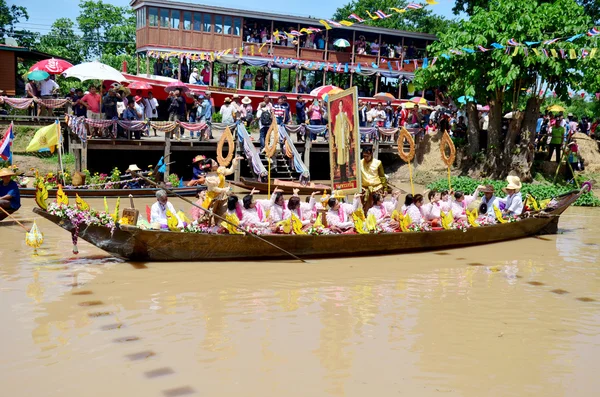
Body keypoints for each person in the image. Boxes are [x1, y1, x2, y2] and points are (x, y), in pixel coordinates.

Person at [332, 100, 353, 183]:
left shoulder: (345, 115)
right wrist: (336, 141)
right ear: (338, 106)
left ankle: (345, 176)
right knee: (340, 159)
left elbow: (348, 126)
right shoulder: (337, 116)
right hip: (339, 139)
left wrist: (348, 136)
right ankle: (342, 176)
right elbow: (335, 130)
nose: (340, 107)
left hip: (345, 139)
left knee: (345, 159)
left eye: (341, 105)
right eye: (339, 105)